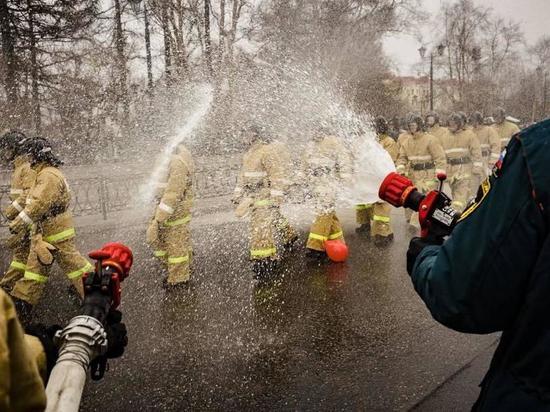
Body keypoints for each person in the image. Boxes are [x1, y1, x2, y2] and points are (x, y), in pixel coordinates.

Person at [406, 119, 550, 410]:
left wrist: (425, 255)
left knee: (460, 209)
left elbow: (461, 294)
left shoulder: (539, 152)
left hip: (532, 393)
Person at [8, 137, 90, 324]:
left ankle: (96, 295)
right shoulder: (44, 173)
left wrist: (19, 223)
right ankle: (21, 304)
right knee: (35, 271)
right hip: (46, 232)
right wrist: (14, 212)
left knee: (74, 265)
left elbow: (38, 205)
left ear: (37, 155)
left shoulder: (48, 176)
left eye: (30, 155)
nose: (28, 159)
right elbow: (30, 199)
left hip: (54, 232)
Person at [232, 124, 298, 277]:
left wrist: (276, 198)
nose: (243, 137)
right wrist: (237, 194)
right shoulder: (248, 154)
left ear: (254, 134)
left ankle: (265, 261)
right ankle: (267, 257)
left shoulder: (266, 151)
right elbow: (243, 176)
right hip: (253, 196)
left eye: (246, 133)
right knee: (263, 225)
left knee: (261, 228)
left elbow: (276, 175)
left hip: (264, 195)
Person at [147, 143, 195, 288]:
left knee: (176, 246)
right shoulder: (165, 160)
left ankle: (179, 279)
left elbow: (173, 193)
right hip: (165, 209)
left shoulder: (177, 163)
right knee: (163, 241)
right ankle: (178, 270)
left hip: (175, 212)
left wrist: (160, 216)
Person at [304, 127, 352, 260]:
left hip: (329, 183)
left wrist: (345, 180)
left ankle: (315, 247)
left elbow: (344, 161)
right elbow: (305, 165)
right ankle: (338, 242)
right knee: (329, 214)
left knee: (324, 212)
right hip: (315, 184)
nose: (314, 133)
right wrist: (301, 179)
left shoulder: (334, 143)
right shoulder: (310, 146)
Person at [395, 114, 446, 229]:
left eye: (414, 125)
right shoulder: (407, 142)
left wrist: (439, 173)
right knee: (410, 199)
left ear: (419, 125)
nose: (412, 127)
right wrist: (401, 169)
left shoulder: (430, 140)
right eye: (410, 125)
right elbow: (401, 158)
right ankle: (412, 222)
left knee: (424, 200)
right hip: (412, 175)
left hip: (428, 175)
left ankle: (415, 225)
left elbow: (440, 157)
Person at [0, 131, 36, 292]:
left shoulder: (25, 168)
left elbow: (28, 194)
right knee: (21, 254)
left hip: (27, 219)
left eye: (7, 149)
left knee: (64, 258)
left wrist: (11, 211)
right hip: (23, 219)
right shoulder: (19, 167)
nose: (5, 153)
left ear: (15, 149)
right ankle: (9, 284)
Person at [356, 117, 398, 246]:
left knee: (382, 206)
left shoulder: (388, 142)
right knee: (369, 203)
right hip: (370, 177)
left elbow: (388, 160)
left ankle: (383, 233)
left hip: (382, 178)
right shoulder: (370, 142)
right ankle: (377, 229)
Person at [439, 113, 483, 211]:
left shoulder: (469, 135)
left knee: (461, 194)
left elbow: (476, 152)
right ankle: (465, 212)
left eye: (454, 123)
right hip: (451, 170)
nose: (452, 125)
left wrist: (477, 168)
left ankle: (456, 215)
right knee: (456, 194)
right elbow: (441, 155)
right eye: (450, 123)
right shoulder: (444, 136)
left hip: (465, 169)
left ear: (459, 124)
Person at [471, 111, 500, 190]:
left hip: (485, 161)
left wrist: (491, 163)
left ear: (478, 121)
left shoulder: (489, 130)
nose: (472, 122)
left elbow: (496, 146)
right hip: (473, 162)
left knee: (485, 186)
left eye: (473, 120)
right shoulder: (471, 131)